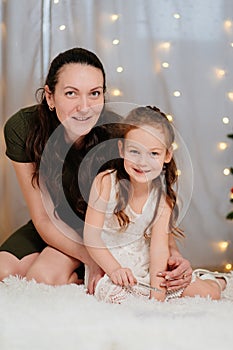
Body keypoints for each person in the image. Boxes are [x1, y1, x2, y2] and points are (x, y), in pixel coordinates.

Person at [0, 47, 191, 294]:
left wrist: (172, 252)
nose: (84, 106)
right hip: (52, 224)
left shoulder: (114, 135)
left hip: (101, 232)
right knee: (4, 272)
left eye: (94, 93)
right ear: (49, 96)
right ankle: (76, 275)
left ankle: (74, 279)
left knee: (43, 278)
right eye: (71, 93)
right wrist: (92, 259)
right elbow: (44, 218)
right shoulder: (22, 128)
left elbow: (151, 199)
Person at [84, 106, 232, 302]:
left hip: (146, 264)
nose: (142, 162)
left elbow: (159, 250)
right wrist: (114, 269)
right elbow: (91, 236)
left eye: (153, 153)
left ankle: (217, 281)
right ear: (121, 149)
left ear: (167, 156)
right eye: (134, 151)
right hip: (110, 265)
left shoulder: (162, 201)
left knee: (209, 294)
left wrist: (157, 297)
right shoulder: (105, 182)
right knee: (117, 297)